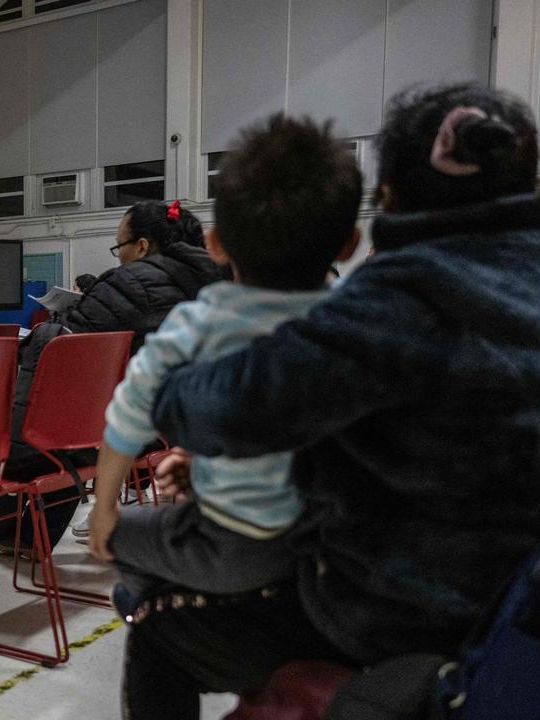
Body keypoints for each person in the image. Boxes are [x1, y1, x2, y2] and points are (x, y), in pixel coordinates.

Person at [130, 84, 540, 719]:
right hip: (517, 615)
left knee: (161, 627)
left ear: (389, 197)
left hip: (399, 611)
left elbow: (223, 409)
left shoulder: (401, 295)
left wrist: (164, 384)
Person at [84, 115, 363, 619]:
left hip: (236, 546)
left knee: (123, 547)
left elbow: (124, 425)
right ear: (348, 244)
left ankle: (162, 606)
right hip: (332, 547)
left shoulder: (198, 325)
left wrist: (104, 512)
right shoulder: (360, 320)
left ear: (215, 244)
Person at [0, 200, 222, 555]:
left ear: (141, 246)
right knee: (74, 430)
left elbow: (71, 351)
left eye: (119, 246)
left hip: (126, 429)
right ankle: (4, 524)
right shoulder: (216, 280)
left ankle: (4, 520)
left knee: (55, 428)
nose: (118, 255)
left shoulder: (130, 282)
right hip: (181, 426)